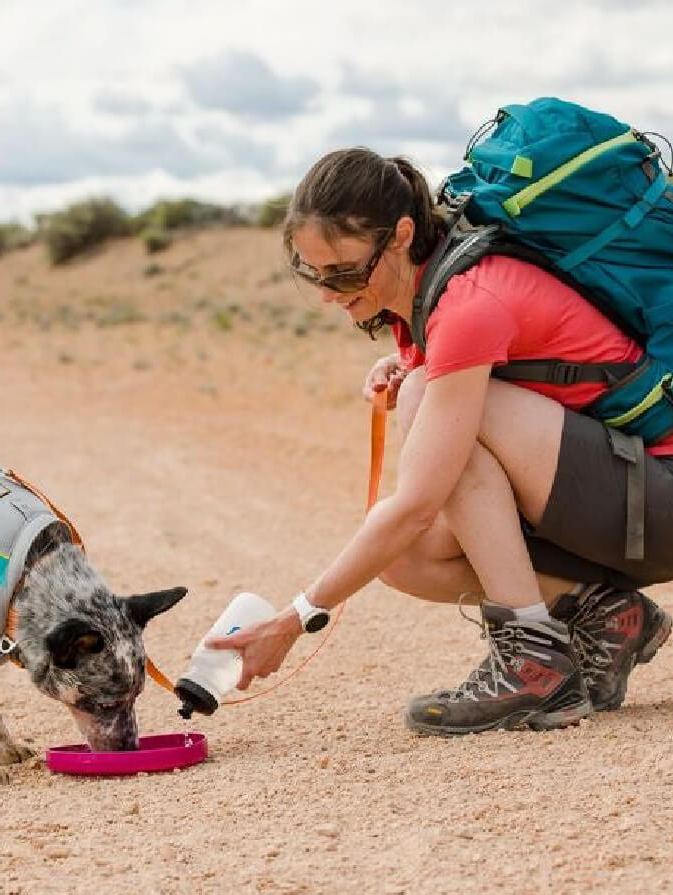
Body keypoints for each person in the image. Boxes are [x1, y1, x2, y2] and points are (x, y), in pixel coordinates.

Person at [208, 146, 673, 736]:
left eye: (345, 273)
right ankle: (609, 617)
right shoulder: (429, 297)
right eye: (313, 273)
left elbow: (417, 503)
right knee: (407, 560)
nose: (329, 292)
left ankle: (533, 665)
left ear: (401, 235)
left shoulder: (469, 299)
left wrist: (292, 620)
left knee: (428, 412)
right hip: (622, 499)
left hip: (659, 499)